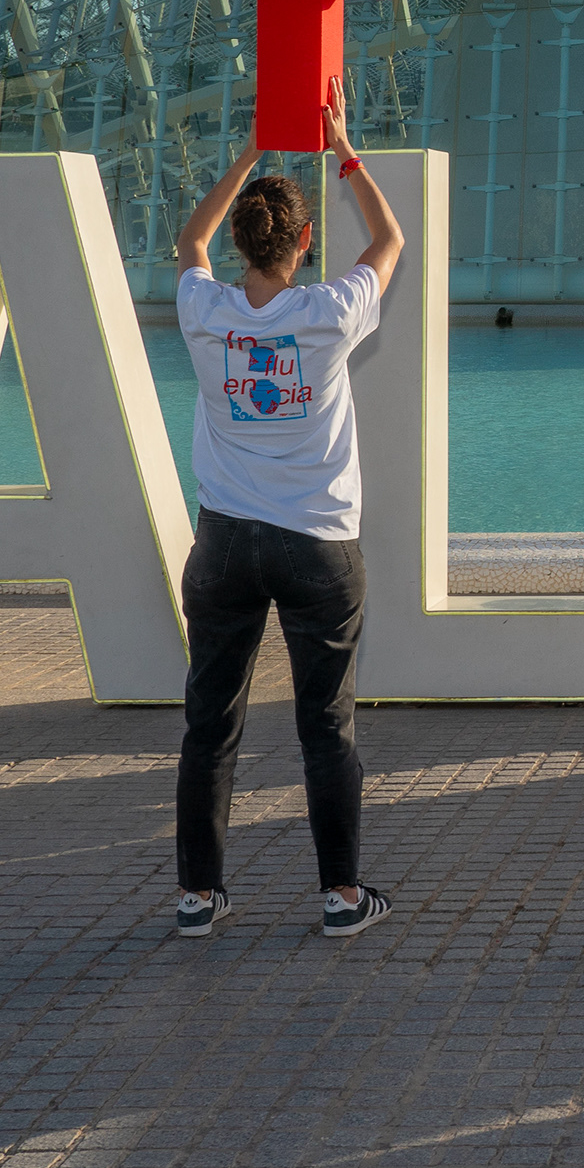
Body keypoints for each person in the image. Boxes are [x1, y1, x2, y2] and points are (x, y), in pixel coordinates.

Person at [167, 90, 408, 941]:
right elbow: (389, 242)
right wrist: (342, 147)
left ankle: (199, 897)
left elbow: (188, 242)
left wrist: (246, 154)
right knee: (325, 727)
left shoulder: (205, 311)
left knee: (211, 721)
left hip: (226, 540)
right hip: (318, 545)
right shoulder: (329, 313)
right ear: (305, 242)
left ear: (242, 240)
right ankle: (341, 897)